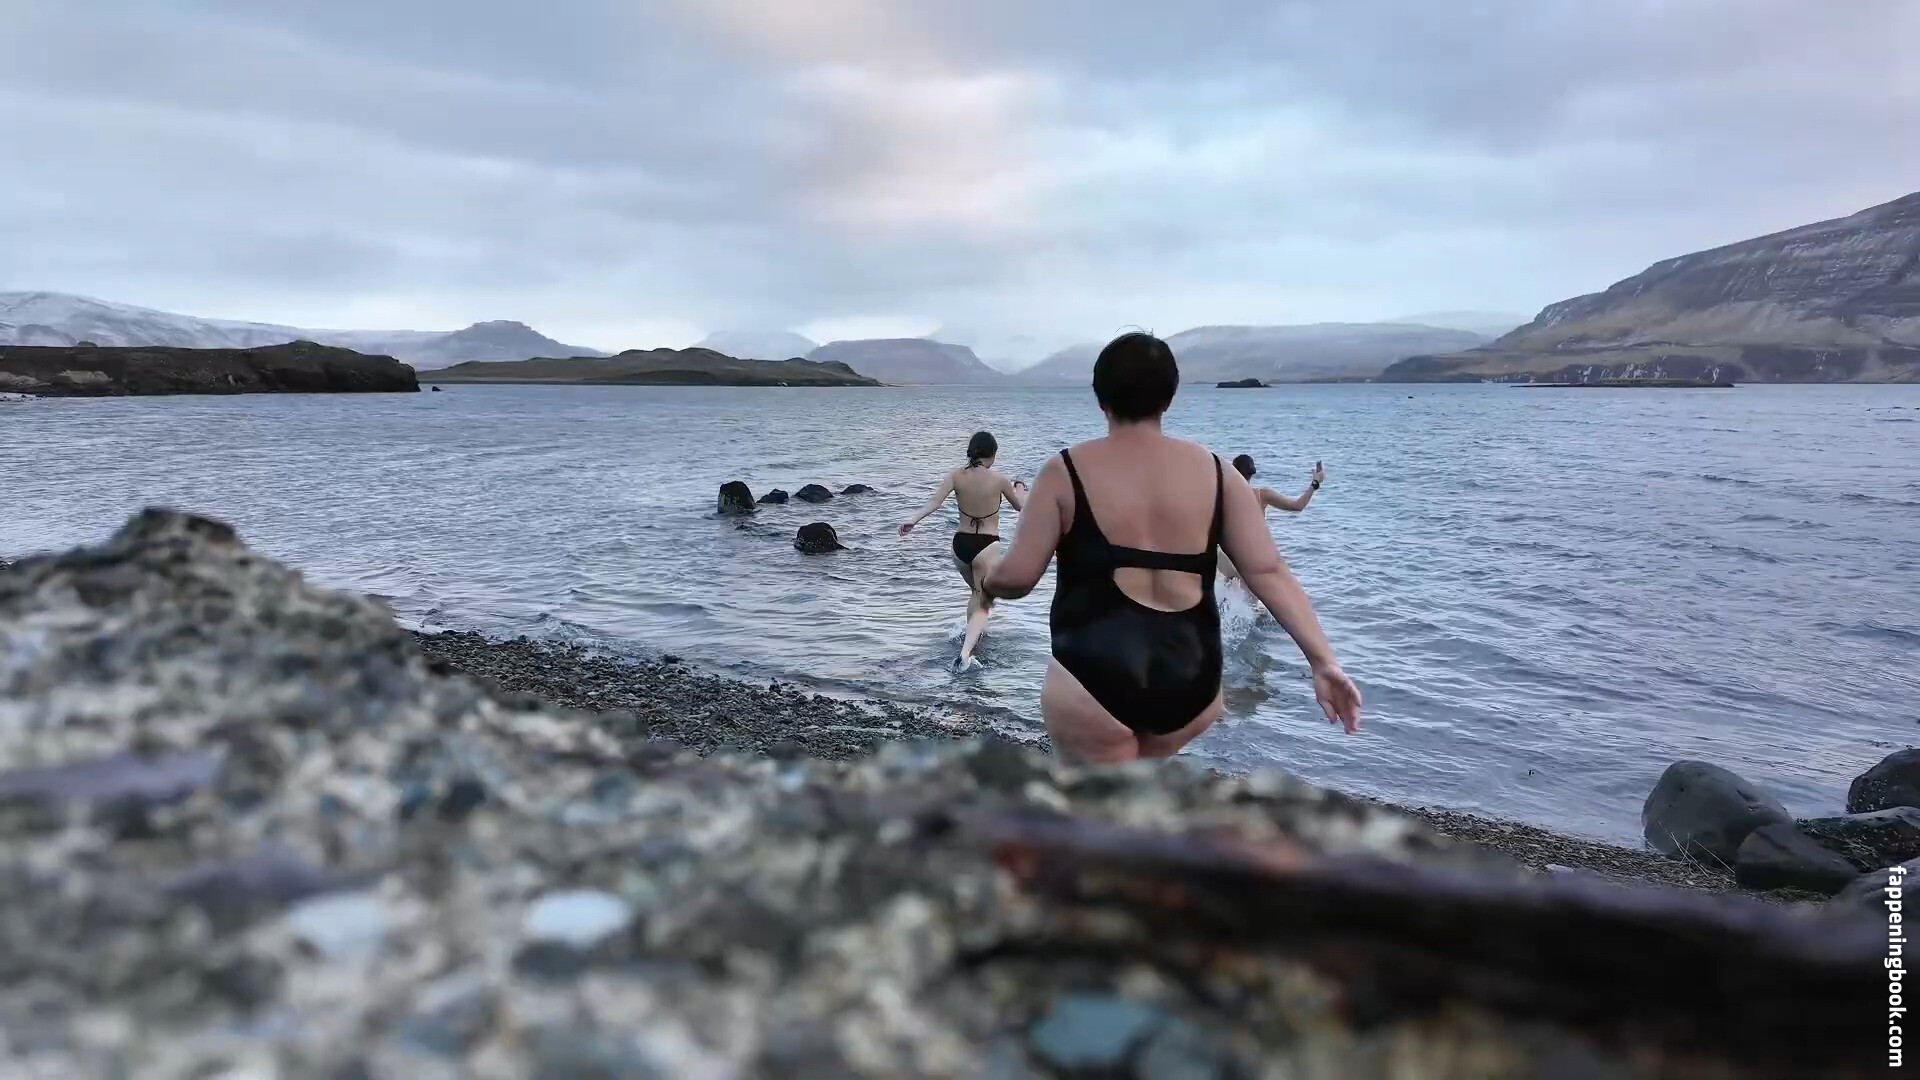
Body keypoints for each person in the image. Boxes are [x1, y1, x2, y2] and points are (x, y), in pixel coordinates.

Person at [982, 332, 1361, 763]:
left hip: (1092, 678)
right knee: (1141, 787)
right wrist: (1323, 661)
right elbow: (1269, 572)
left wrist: (987, 582)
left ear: (1100, 398)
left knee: (1098, 799)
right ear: (1169, 398)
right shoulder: (1220, 474)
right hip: (1191, 682)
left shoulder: (1064, 471)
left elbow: (1018, 578)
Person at [899, 431, 1027, 669]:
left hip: (960, 545)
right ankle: (966, 653)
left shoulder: (956, 475)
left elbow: (934, 503)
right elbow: (1022, 507)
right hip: (986, 545)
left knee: (977, 594)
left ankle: (972, 638)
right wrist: (1019, 486)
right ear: (993, 454)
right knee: (983, 597)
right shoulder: (1000, 479)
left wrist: (913, 520)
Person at [1218, 455, 1325, 583]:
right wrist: (1315, 483)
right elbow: (1297, 506)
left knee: (1231, 584)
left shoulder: (1221, 495)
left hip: (1224, 556)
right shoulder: (1261, 495)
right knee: (1249, 590)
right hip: (1250, 557)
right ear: (1252, 473)